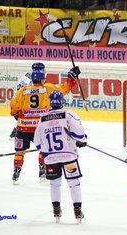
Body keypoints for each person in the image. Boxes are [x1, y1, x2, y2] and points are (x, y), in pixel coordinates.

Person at [9, 66, 80, 183]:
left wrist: (16, 113)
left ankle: (17, 170)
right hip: (40, 127)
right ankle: (43, 168)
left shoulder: (22, 91)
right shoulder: (47, 89)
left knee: (19, 151)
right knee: (43, 149)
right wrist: (71, 77)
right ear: (43, 80)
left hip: (23, 127)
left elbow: (13, 107)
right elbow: (64, 89)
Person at [34, 90, 87, 223]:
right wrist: (82, 141)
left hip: (50, 157)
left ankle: (56, 211)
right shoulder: (68, 115)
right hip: (68, 156)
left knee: (54, 184)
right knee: (74, 184)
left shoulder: (42, 118)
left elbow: (37, 143)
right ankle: (77, 212)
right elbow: (79, 134)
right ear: (62, 101)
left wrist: (45, 147)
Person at [9, 62, 44, 138]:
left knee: (25, 116)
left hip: (17, 99)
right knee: (33, 114)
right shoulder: (34, 79)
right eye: (43, 69)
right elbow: (36, 92)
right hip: (24, 100)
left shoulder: (26, 74)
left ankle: (15, 131)